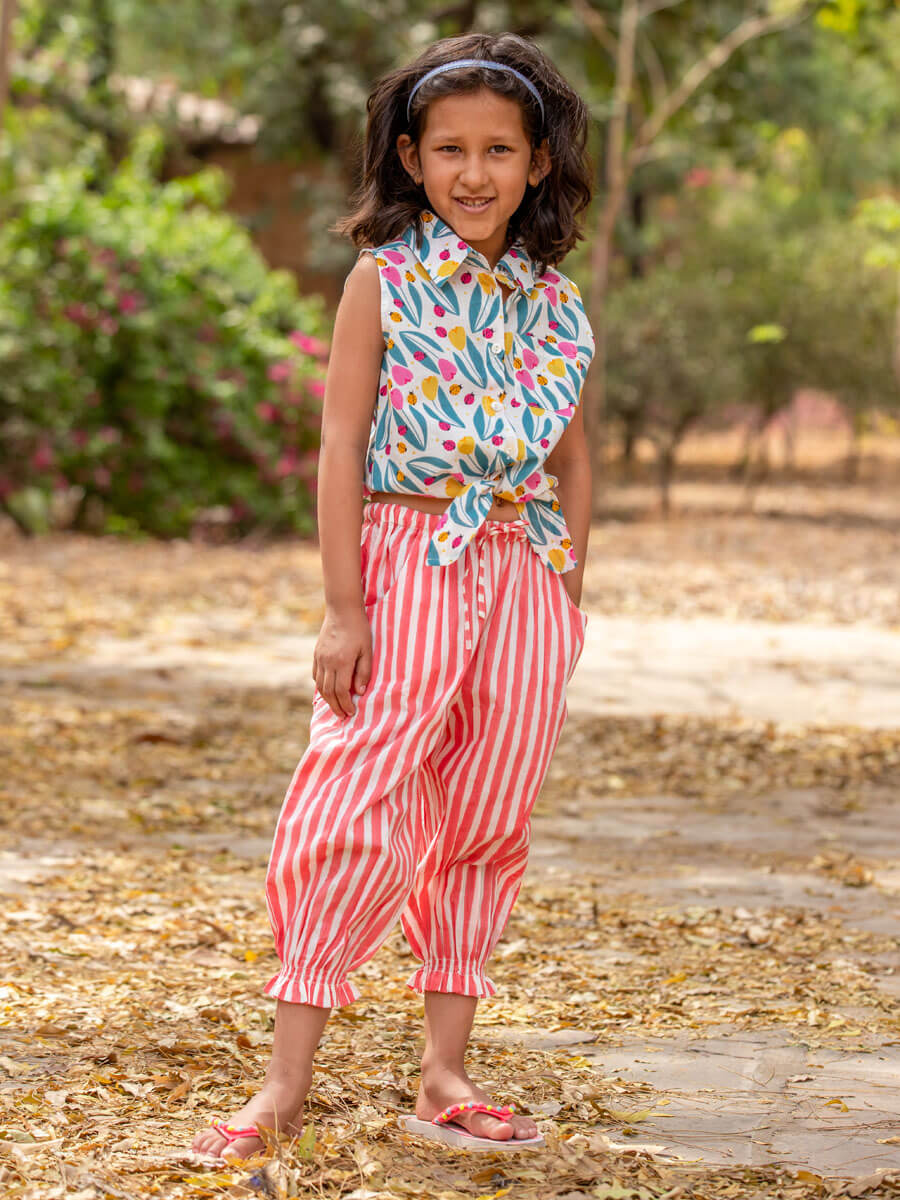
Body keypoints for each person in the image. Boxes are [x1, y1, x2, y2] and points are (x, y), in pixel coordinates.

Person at [191, 29, 595, 1162]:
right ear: (411, 159)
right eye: (450, 149)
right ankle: (283, 1086)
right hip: (407, 555)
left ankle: (444, 1074)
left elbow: (574, 458)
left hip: (523, 572)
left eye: (499, 150)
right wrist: (342, 606)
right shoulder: (384, 281)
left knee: (488, 814)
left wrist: (568, 597)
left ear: (538, 163)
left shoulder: (559, 304)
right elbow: (340, 444)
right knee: (351, 799)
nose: (475, 173)